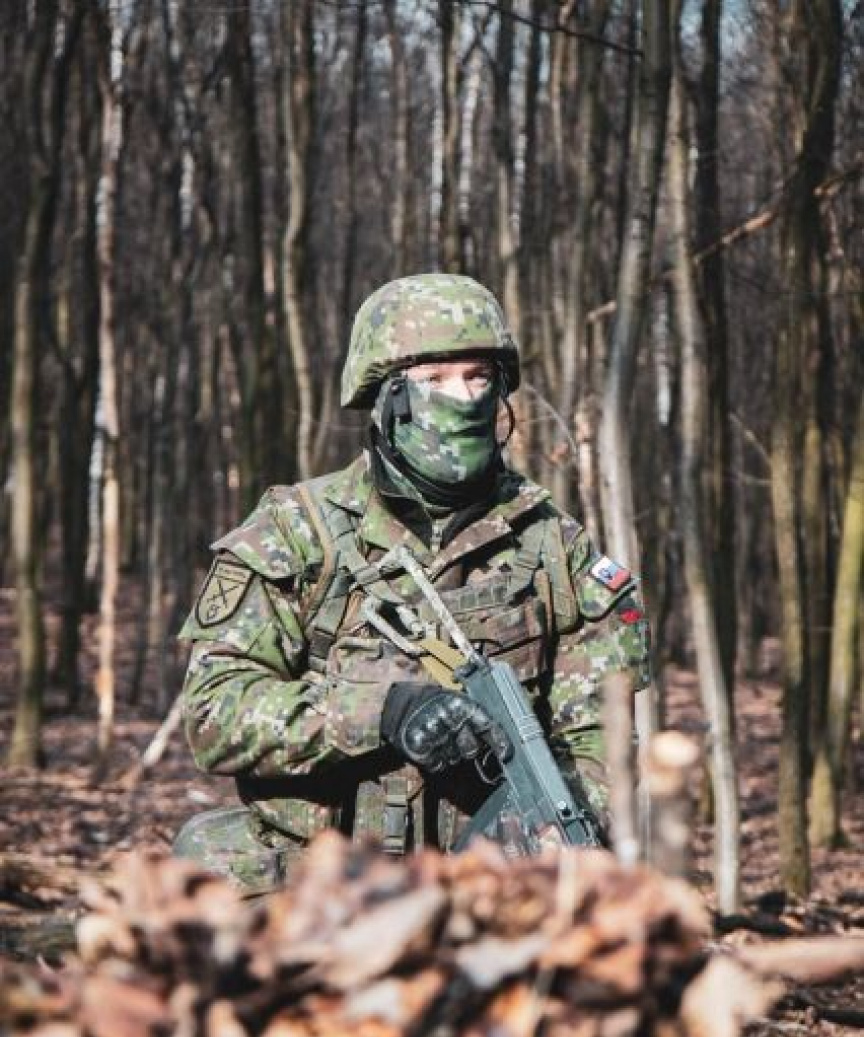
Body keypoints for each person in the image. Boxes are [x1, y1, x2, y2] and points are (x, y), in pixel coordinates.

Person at [175, 273, 651, 891]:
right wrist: (381, 713)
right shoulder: (294, 533)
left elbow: (601, 739)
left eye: (478, 377)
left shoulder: (555, 549)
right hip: (316, 888)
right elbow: (214, 714)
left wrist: (560, 826)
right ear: (388, 395)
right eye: (435, 379)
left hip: (485, 892)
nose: (463, 397)